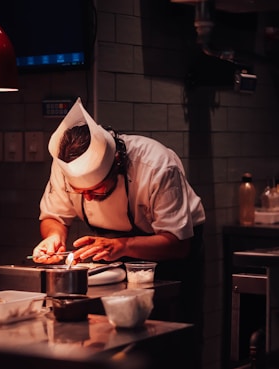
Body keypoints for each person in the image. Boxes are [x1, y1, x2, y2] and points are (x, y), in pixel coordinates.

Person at [32, 97, 206, 324]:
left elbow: (177, 244)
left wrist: (122, 246)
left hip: (169, 248)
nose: (88, 198)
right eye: (80, 192)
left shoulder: (157, 166)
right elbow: (53, 216)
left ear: (117, 162)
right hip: (110, 248)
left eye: (97, 190)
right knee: (107, 324)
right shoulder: (63, 166)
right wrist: (54, 236)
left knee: (171, 325)